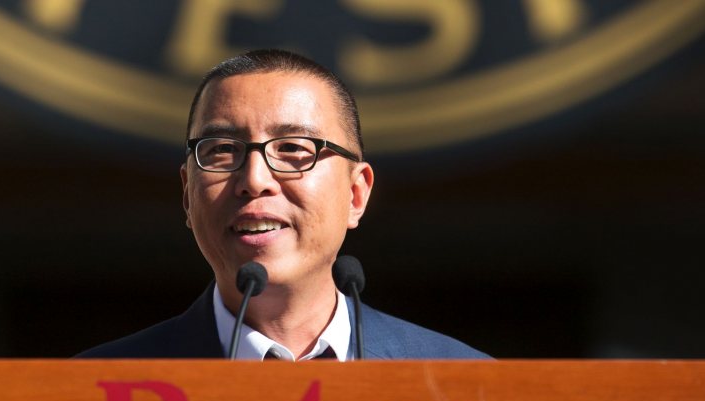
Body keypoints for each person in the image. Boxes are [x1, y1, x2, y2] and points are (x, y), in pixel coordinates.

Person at [79, 49, 486, 360]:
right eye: (222, 150)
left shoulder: (463, 382)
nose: (255, 180)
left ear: (356, 194)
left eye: (293, 148)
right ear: (188, 194)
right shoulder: (97, 386)